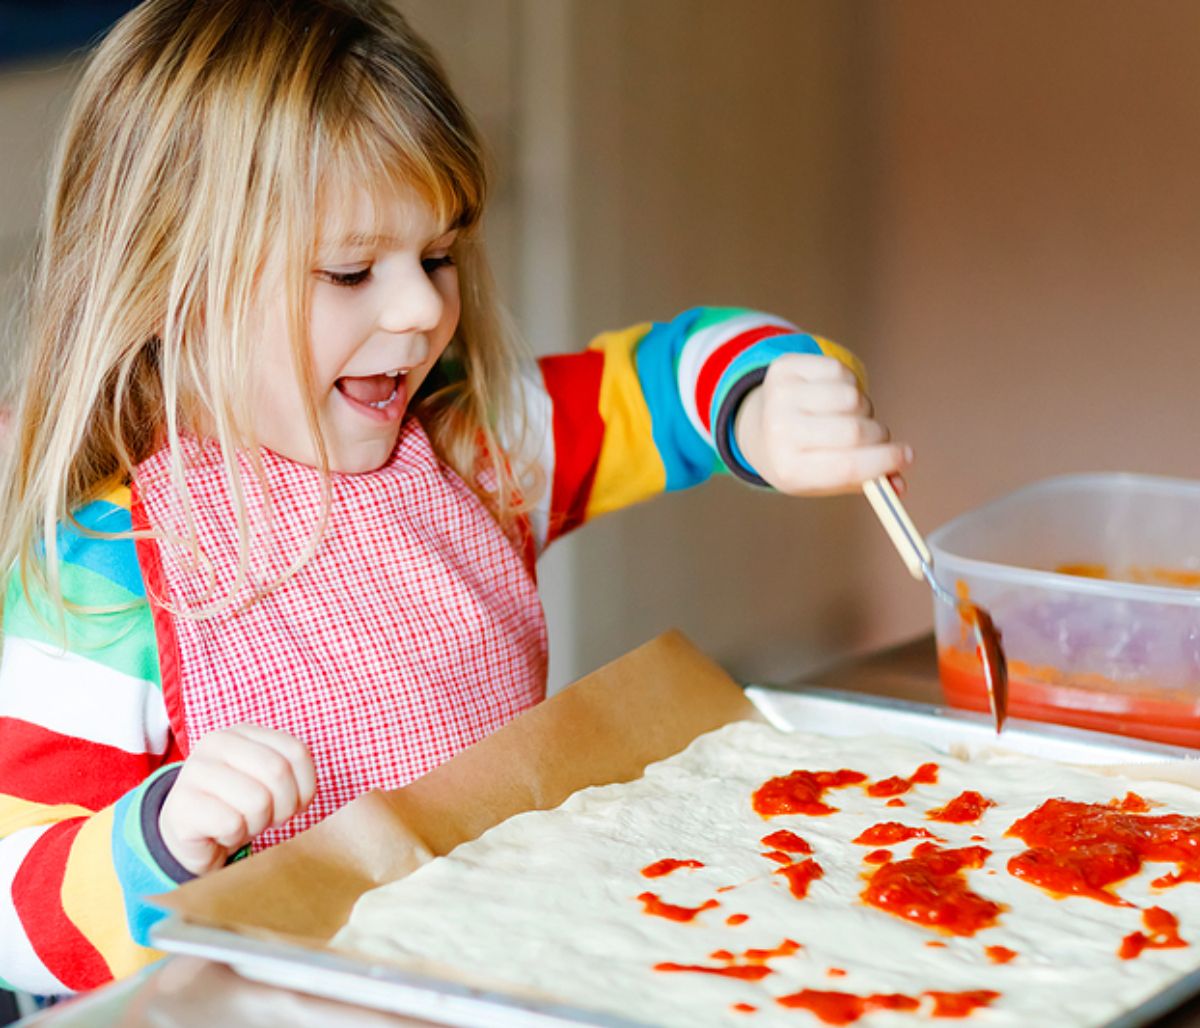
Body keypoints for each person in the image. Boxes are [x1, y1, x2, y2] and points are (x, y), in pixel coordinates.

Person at [0, 0, 911, 997]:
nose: (426, 306)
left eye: (438, 255)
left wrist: (765, 404)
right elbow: (14, 916)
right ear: (174, 281)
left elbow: (665, 377)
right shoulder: (95, 574)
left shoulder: (478, 448)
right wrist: (157, 836)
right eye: (351, 270)